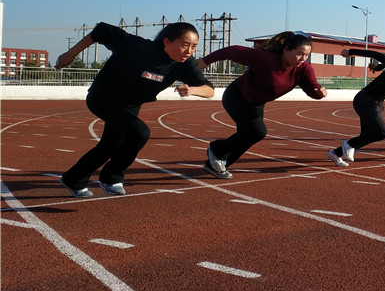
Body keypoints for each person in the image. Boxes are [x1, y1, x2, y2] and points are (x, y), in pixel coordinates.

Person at [55, 22, 214, 197]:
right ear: (167, 42)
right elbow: (101, 30)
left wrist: (192, 90)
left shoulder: (185, 64)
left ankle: (74, 179)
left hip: (131, 105)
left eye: (194, 46)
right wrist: (70, 54)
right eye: (184, 45)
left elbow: (209, 90)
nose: (189, 51)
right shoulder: (136, 46)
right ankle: (111, 177)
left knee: (109, 146)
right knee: (139, 133)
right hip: (103, 98)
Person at [198, 32, 327, 179]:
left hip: (257, 104)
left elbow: (312, 88)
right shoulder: (265, 59)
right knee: (257, 132)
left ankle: (216, 165)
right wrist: (204, 62)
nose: (303, 59)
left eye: (307, 55)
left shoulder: (304, 69)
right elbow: (231, 51)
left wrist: (319, 92)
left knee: (249, 136)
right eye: (299, 54)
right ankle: (217, 149)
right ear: (286, 50)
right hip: (237, 96)